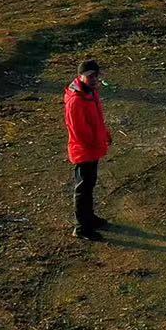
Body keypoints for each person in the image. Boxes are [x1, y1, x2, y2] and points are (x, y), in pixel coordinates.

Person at [63, 59, 111, 239]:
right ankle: (81, 227)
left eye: (95, 75)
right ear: (80, 76)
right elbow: (79, 131)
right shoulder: (76, 100)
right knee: (83, 189)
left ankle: (88, 218)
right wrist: (96, 142)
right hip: (84, 150)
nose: (93, 79)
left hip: (92, 147)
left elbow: (96, 119)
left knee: (89, 185)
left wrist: (104, 133)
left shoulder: (90, 93)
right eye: (89, 75)